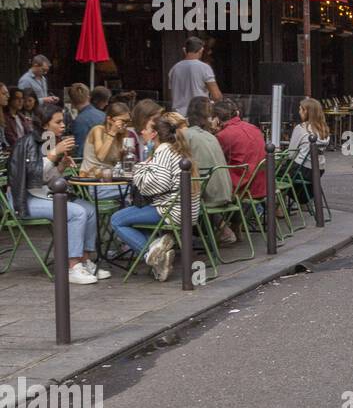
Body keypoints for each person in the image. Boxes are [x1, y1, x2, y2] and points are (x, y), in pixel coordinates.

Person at [7, 104, 106, 284]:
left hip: (43, 194)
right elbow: (30, 177)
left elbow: (47, 179)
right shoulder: (28, 142)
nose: (63, 126)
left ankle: (84, 260)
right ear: (45, 124)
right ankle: (72, 266)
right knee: (77, 212)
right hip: (24, 197)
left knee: (90, 209)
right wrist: (54, 155)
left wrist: (60, 166)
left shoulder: (48, 140)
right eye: (58, 122)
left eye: (63, 122)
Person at [110, 111, 201, 282]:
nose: (142, 133)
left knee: (116, 219)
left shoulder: (164, 151)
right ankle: (157, 247)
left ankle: (154, 256)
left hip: (171, 210)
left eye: (145, 129)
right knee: (135, 217)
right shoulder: (177, 149)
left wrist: (138, 170)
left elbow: (155, 186)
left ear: (155, 134)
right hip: (188, 210)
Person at [184, 97, 236, 244]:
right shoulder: (211, 136)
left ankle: (173, 239)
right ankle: (223, 229)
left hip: (210, 196)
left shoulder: (187, 136)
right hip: (226, 192)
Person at [213, 98, 268, 204]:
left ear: (217, 118)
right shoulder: (254, 128)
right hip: (261, 186)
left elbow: (215, 161)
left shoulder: (223, 135)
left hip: (242, 188)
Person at [80, 102, 131, 197]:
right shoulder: (98, 130)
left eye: (128, 121)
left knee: (139, 186)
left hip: (112, 182)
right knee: (134, 189)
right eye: (122, 121)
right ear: (109, 119)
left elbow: (120, 165)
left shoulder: (120, 136)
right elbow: (100, 156)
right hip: (94, 184)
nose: (125, 125)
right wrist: (112, 132)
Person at [286, 97, 330, 204]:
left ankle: (278, 207)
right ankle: (304, 203)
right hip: (318, 170)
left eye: (301, 109)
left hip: (301, 170)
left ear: (306, 111)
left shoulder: (301, 128)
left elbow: (291, 154)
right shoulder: (324, 129)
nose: (299, 111)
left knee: (274, 174)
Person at [168, 36, 223, 113]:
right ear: (201, 50)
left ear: (185, 50)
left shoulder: (174, 69)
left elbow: (171, 96)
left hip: (178, 116)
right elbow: (216, 96)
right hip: (197, 116)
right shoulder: (204, 68)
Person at [67, 83, 107, 157]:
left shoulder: (80, 121)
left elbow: (80, 151)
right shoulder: (103, 115)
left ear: (71, 101)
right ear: (88, 97)